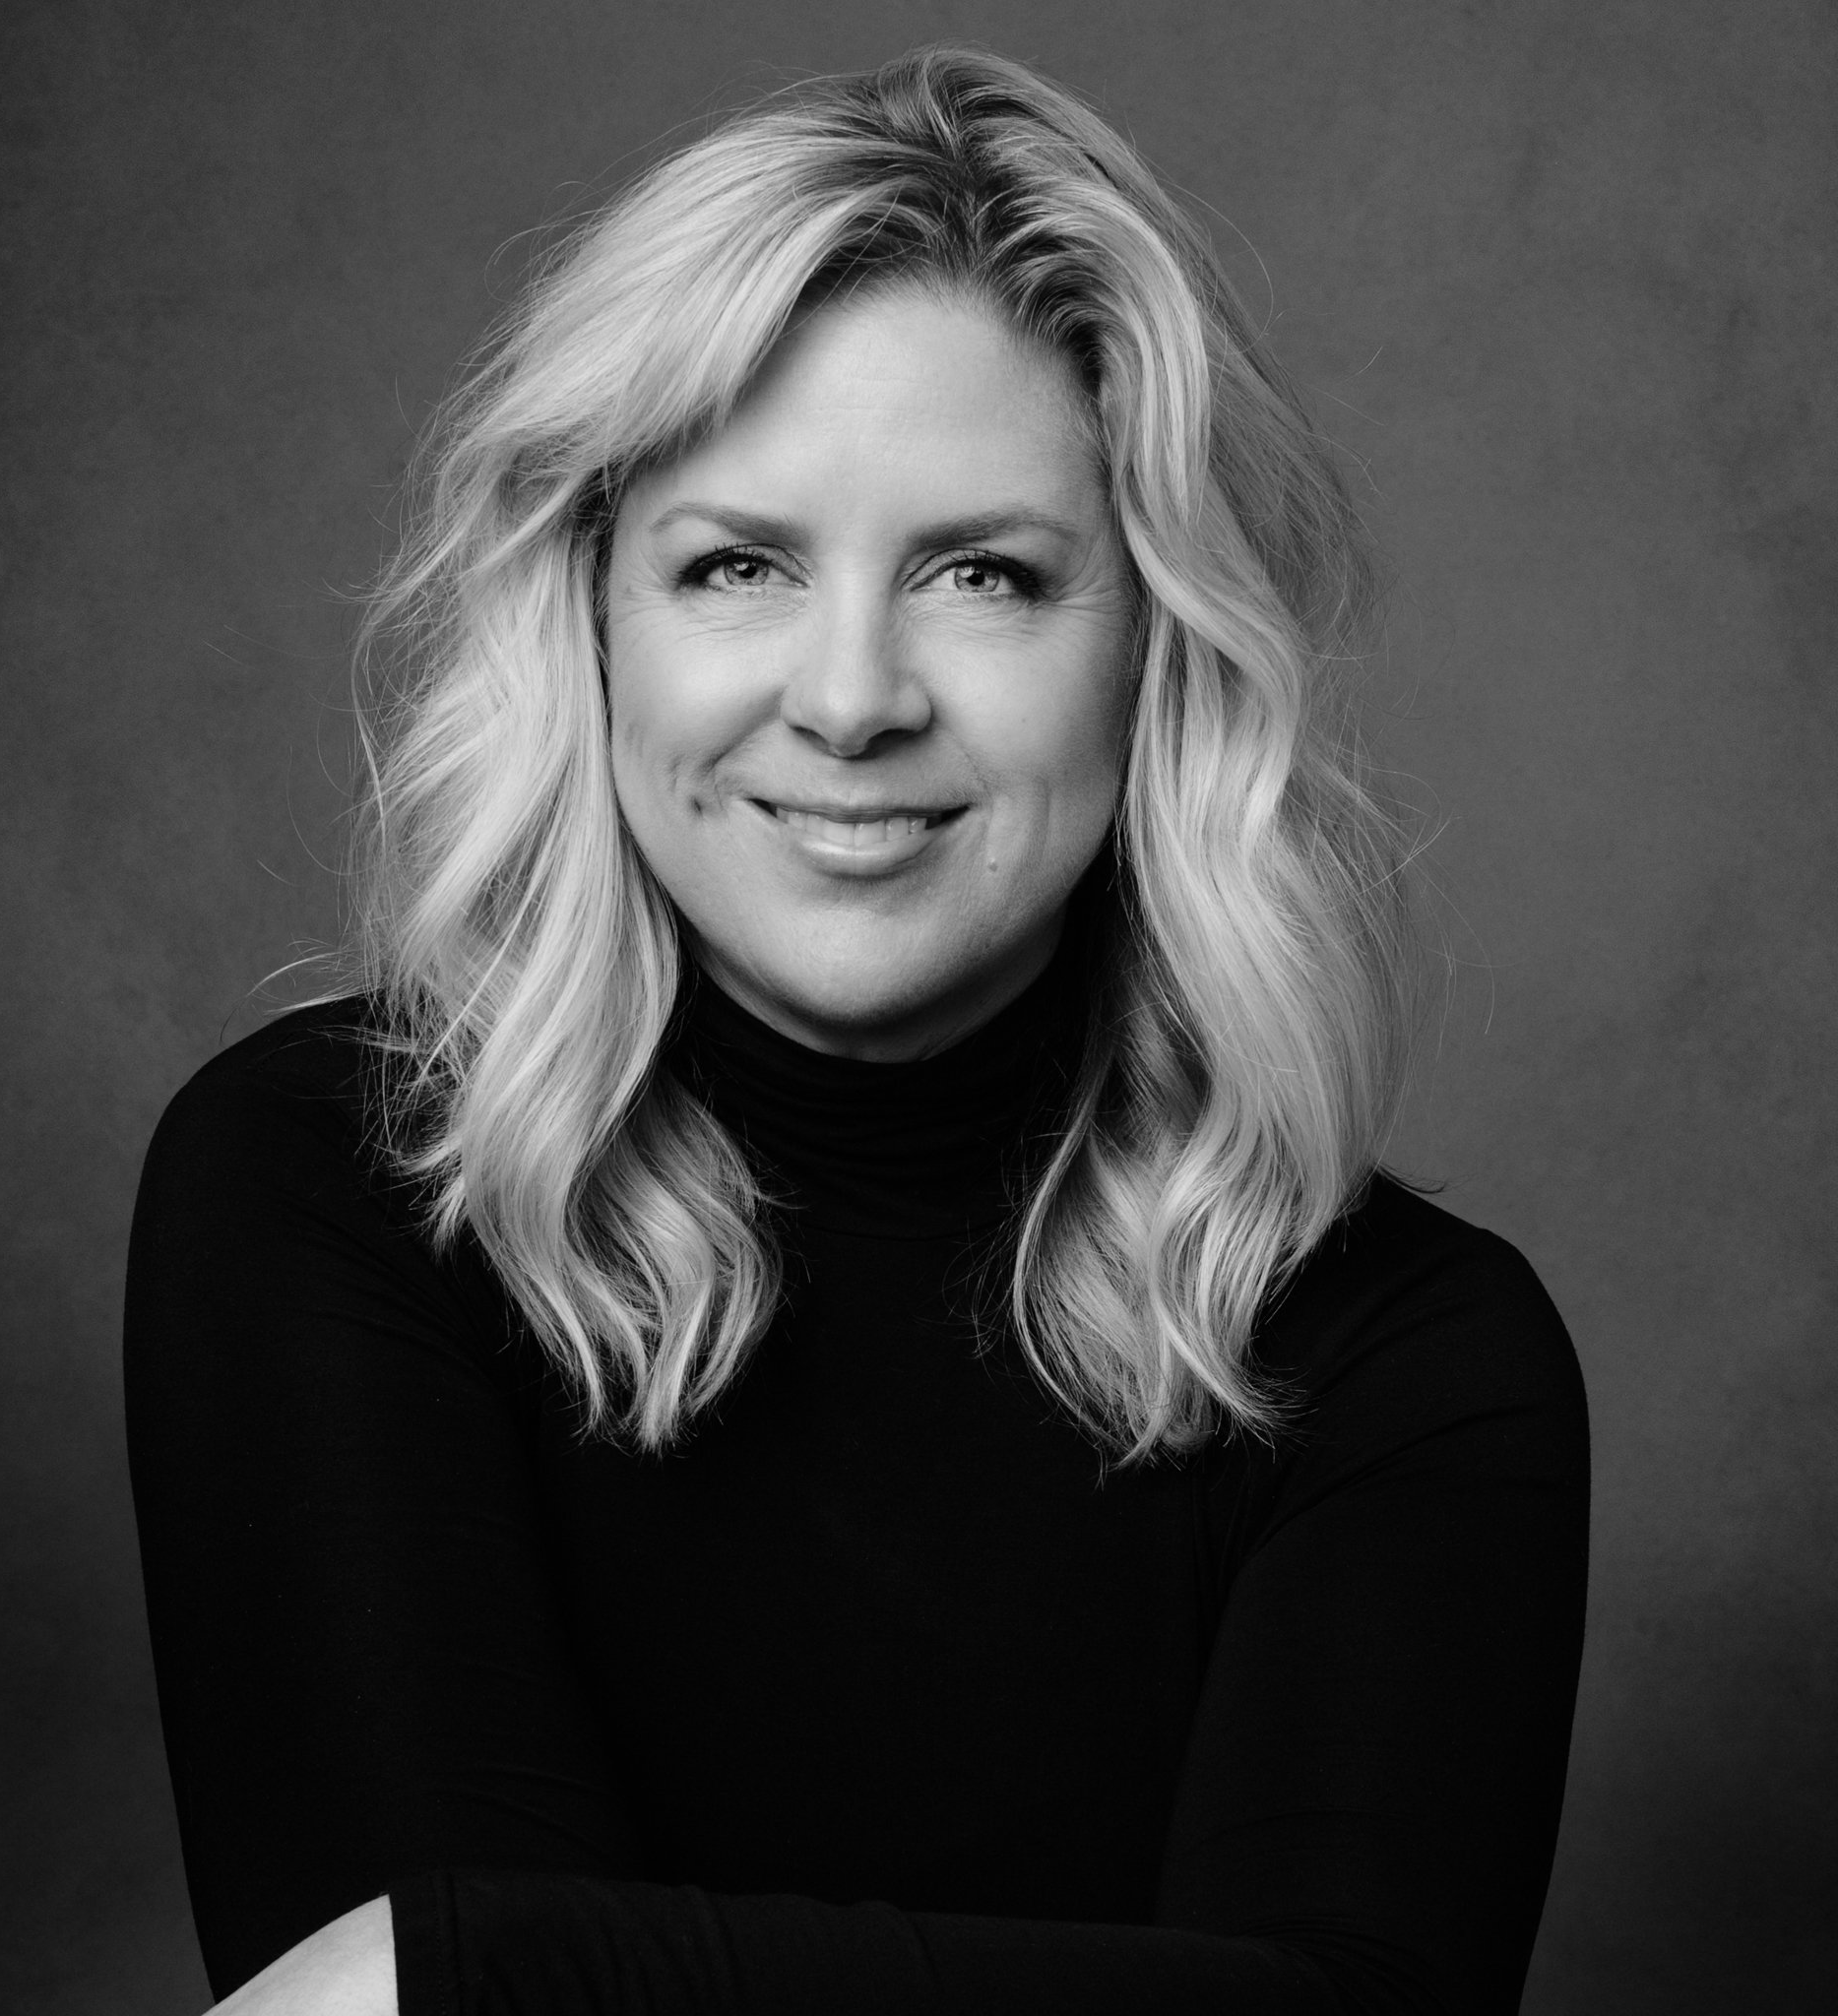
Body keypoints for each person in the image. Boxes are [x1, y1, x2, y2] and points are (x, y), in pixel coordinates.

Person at [124, 45, 1589, 2016]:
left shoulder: (1414, 1361)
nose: (848, 696)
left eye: (984, 574)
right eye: (735, 564)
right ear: (591, 622)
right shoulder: (336, 1187)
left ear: (1155, 648)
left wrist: (477, 1965)